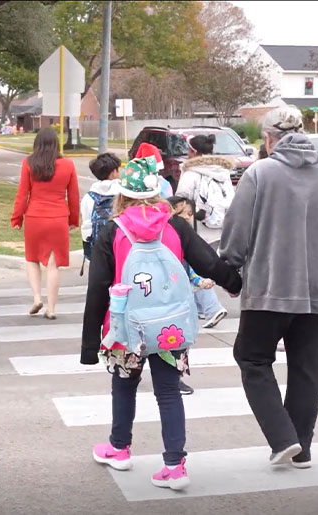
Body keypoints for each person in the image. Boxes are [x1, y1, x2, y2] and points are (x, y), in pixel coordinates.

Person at [81, 157, 241, 490]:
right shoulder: (176, 226)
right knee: (168, 392)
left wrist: (89, 344)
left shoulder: (113, 231)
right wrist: (234, 283)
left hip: (126, 327)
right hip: (171, 326)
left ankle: (119, 448)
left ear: (121, 194)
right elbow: (208, 262)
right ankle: (174, 465)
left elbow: (97, 288)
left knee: (124, 386)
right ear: (157, 192)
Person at [219, 105, 318, 469]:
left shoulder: (259, 173)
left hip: (271, 286)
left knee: (251, 358)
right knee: (308, 369)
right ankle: (301, 448)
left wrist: (230, 268)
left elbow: (237, 230)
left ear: (268, 138)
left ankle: (283, 438)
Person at [11, 127, 80, 319]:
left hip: (35, 217)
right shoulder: (68, 165)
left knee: (32, 259)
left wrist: (16, 218)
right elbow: (73, 196)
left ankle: (36, 298)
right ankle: (51, 308)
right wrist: (74, 219)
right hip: (58, 218)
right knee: (53, 265)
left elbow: (22, 194)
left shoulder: (29, 163)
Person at [167, 196, 228, 330]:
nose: (189, 218)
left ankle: (209, 309)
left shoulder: (179, 234)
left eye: (191, 214)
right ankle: (211, 309)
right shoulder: (176, 235)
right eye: (185, 214)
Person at [175, 134, 235, 229]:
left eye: (189, 151)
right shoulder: (223, 171)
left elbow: (180, 202)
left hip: (199, 231)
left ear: (194, 152)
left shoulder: (190, 174)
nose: (187, 154)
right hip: (226, 227)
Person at [81, 152, 121, 261]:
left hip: (98, 250)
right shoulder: (123, 194)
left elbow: (86, 225)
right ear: (114, 172)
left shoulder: (89, 197)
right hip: (120, 247)